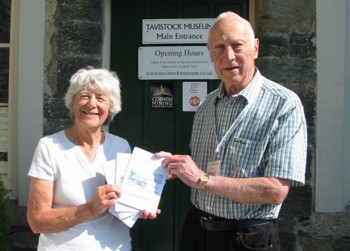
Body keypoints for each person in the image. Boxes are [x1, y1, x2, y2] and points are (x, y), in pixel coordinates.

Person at [156, 11, 307, 251]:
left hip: (248, 238)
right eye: (219, 47)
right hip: (197, 231)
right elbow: (201, 171)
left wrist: (202, 179)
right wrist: (175, 167)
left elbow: (275, 190)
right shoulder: (206, 105)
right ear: (210, 54)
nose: (229, 56)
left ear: (255, 48)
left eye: (238, 45)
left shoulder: (284, 104)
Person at [27, 67, 159, 251]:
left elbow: (124, 203)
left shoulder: (121, 146)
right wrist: (90, 209)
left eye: (100, 98)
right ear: (72, 104)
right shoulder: (49, 147)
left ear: (110, 108)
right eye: (84, 96)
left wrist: (139, 207)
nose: (91, 104)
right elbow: (37, 221)